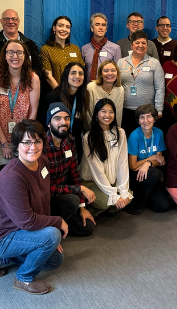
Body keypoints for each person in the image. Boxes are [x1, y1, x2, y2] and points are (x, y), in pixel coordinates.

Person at [0, 120, 66, 295]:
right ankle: (23, 278)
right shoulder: (13, 177)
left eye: (37, 141)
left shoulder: (43, 163)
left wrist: (47, 237)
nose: (33, 147)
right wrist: (56, 223)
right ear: (17, 145)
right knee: (52, 235)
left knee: (56, 260)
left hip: (19, 229)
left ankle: (3, 258)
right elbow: (28, 222)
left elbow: (44, 200)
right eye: (26, 142)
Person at [44, 103, 97, 236]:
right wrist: (80, 190)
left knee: (87, 228)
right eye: (57, 118)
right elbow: (44, 188)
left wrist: (82, 206)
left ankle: (58, 224)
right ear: (49, 123)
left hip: (61, 195)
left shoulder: (69, 140)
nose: (63, 122)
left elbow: (75, 174)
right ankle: (48, 228)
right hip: (43, 200)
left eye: (66, 118)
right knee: (71, 200)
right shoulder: (40, 147)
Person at [0, 40, 40, 167]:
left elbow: (33, 113)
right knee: (6, 169)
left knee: (24, 168)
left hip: (22, 137)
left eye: (19, 52)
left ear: (25, 56)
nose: (15, 56)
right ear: (4, 56)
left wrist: (22, 140)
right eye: (10, 52)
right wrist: (5, 144)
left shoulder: (33, 79)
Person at [81, 98, 132, 217]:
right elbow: (96, 170)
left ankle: (109, 207)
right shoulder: (89, 137)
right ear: (96, 114)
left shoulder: (120, 133)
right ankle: (92, 210)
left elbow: (122, 163)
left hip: (111, 181)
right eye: (103, 111)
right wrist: (113, 194)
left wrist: (122, 191)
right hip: (92, 181)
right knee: (106, 202)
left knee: (127, 196)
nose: (107, 115)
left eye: (111, 112)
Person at [126, 104, 172, 214]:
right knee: (155, 174)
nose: (146, 120)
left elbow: (159, 161)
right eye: (142, 117)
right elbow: (133, 166)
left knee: (163, 207)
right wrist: (152, 158)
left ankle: (146, 196)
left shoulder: (159, 133)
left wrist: (148, 163)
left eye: (149, 116)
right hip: (137, 175)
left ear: (154, 118)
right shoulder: (134, 136)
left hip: (150, 172)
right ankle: (135, 205)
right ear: (138, 120)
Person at [119, 30, 165, 136]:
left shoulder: (154, 63)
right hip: (126, 110)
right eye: (137, 42)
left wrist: (159, 109)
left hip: (147, 111)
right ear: (131, 45)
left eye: (144, 43)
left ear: (147, 46)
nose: (140, 45)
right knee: (128, 139)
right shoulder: (121, 62)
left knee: (145, 140)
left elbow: (160, 88)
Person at [40, 62, 89, 160]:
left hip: (74, 146)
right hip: (54, 147)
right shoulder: (53, 97)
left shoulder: (84, 96)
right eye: (73, 73)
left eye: (81, 73)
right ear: (66, 75)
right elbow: (43, 124)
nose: (77, 76)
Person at [0, 9, 42, 80]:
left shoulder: (30, 44)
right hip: (0, 87)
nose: (11, 21)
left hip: (26, 86)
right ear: (1, 21)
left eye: (14, 19)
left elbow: (38, 68)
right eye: (6, 19)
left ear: (18, 21)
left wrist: (23, 83)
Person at [41, 16, 84, 89]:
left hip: (76, 91)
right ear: (54, 28)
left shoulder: (75, 49)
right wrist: (60, 93)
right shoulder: (46, 49)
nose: (64, 29)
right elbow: (48, 76)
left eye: (67, 27)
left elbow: (81, 70)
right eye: (60, 26)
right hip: (58, 92)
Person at [86, 60, 124, 134]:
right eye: (106, 71)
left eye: (113, 70)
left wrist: (115, 133)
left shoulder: (120, 89)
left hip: (111, 131)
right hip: (93, 131)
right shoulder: (91, 88)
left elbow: (118, 115)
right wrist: (94, 132)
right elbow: (89, 115)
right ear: (101, 74)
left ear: (117, 73)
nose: (110, 73)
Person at [81, 13, 122, 82]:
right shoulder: (84, 49)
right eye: (97, 24)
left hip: (107, 88)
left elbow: (118, 72)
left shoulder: (115, 48)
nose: (101, 27)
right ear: (92, 28)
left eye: (103, 25)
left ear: (106, 29)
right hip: (88, 88)